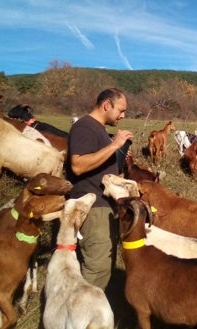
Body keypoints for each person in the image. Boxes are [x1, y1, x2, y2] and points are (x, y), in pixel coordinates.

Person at [65, 88, 133, 290]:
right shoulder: (84, 127)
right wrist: (114, 146)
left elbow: (97, 164)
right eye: (121, 110)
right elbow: (77, 165)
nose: (123, 115)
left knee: (102, 264)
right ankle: (81, 317)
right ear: (106, 105)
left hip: (103, 204)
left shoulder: (99, 129)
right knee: (97, 267)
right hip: (93, 205)